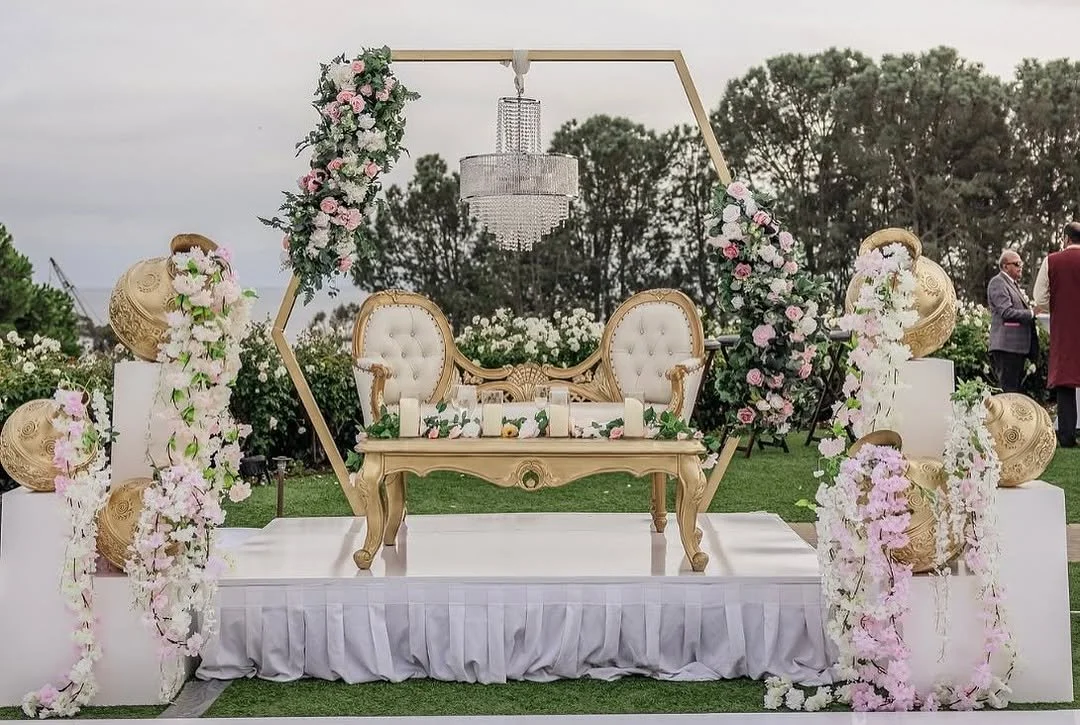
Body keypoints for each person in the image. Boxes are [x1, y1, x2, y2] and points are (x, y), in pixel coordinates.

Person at [1033, 221, 1080, 447]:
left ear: (1066, 238)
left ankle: (1068, 436)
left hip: (1065, 327)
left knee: (1066, 383)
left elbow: (1039, 297)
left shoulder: (1052, 260)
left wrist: (1059, 304)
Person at [987, 249, 1035, 393]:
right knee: (1009, 391)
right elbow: (1006, 312)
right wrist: (1032, 313)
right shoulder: (998, 282)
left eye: (1021, 263)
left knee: (1014, 391)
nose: (1021, 267)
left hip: (1016, 348)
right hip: (1006, 347)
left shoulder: (1012, 284)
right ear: (1005, 266)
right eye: (1017, 263)